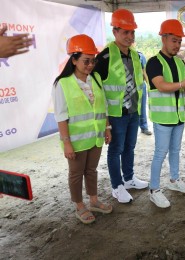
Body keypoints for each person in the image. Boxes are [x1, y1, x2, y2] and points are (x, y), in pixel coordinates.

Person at [52, 34, 113, 224]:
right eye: (86, 61)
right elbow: (61, 117)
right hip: (76, 141)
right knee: (76, 173)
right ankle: (79, 205)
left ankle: (93, 201)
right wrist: (67, 144)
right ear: (74, 59)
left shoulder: (94, 79)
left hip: (95, 137)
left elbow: (102, 107)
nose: (90, 65)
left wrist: (107, 128)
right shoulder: (62, 84)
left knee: (92, 170)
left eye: (93, 61)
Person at [94, 9, 148, 203]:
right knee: (116, 149)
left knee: (129, 147)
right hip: (116, 113)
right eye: (125, 32)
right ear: (115, 31)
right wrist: (105, 120)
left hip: (133, 111)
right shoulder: (104, 57)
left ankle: (129, 178)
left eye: (132, 32)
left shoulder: (135, 55)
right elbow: (97, 90)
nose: (129, 36)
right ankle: (117, 186)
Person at [145, 19, 185, 208]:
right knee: (160, 153)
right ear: (164, 38)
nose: (177, 45)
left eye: (179, 41)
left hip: (178, 116)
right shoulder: (153, 62)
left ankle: (174, 180)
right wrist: (183, 84)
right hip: (163, 118)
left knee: (176, 151)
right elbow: (161, 85)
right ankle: (154, 190)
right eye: (174, 40)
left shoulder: (180, 62)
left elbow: (183, 88)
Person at [138, 51, 152, 136]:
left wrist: (149, 85)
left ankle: (144, 127)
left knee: (142, 107)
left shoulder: (140, 56)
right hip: (128, 87)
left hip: (141, 86)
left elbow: (144, 71)